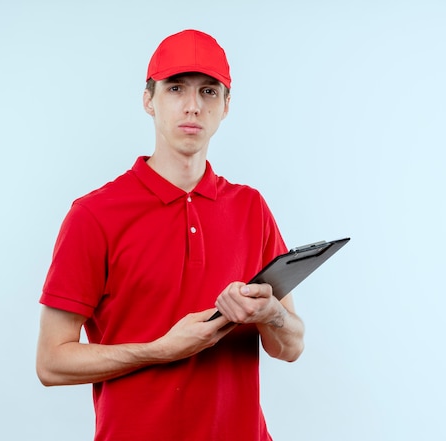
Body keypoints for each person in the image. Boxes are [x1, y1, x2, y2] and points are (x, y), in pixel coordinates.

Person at [36, 29, 305, 441]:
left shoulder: (251, 207)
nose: (193, 106)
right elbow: (51, 363)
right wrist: (161, 349)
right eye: (176, 88)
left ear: (226, 106)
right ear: (149, 100)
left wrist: (272, 315)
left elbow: (291, 347)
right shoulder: (93, 215)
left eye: (209, 91)